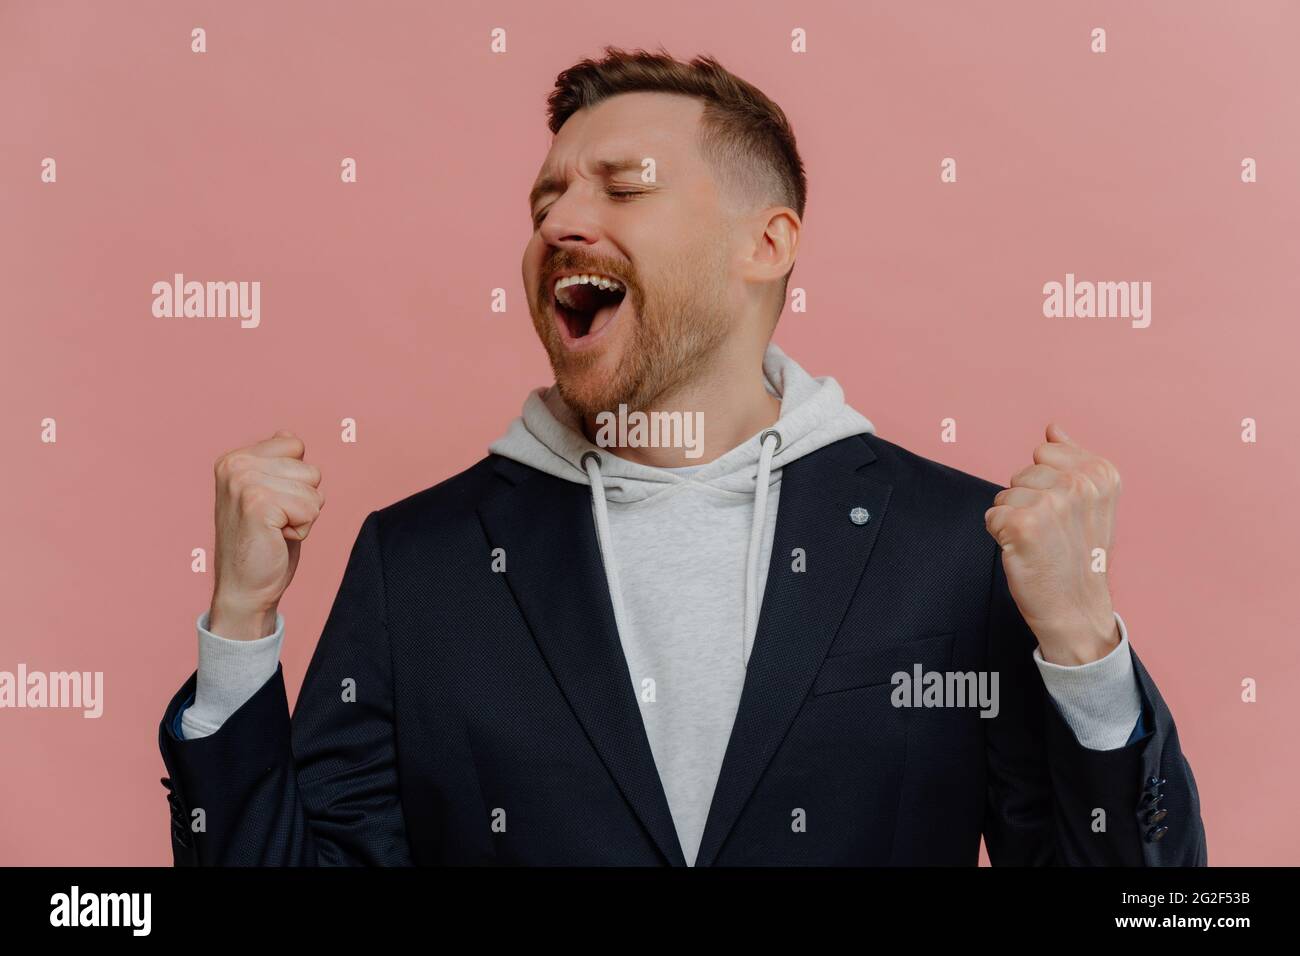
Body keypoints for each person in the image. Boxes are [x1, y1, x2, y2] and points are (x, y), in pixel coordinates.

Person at [158, 46, 1206, 866]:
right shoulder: (416, 564)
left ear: (768, 243)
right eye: (545, 202)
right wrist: (241, 633)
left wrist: (1082, 645)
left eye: (622, 186)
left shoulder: (953, 550)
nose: (561, 221)